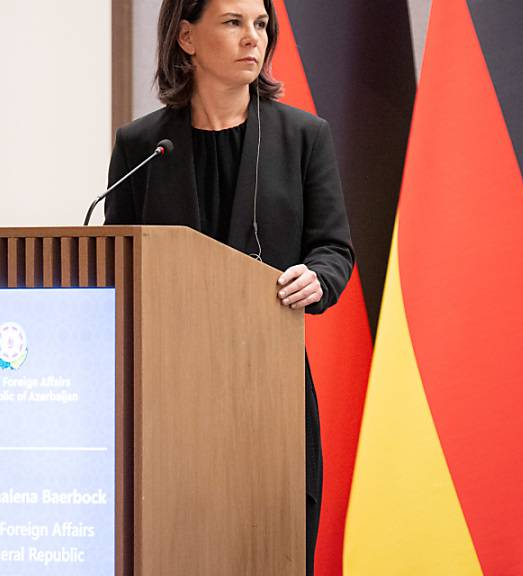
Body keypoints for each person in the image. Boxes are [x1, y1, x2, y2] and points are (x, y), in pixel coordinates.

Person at [104, 0, 354, 573]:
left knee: (270, 546)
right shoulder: (142, 146)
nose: (252, 38)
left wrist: (317, 277)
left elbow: (334, 248)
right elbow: (116, 259)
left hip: (270, 382)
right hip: (168, 392)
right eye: (233, 22)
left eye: (260, 24)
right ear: (186, 37)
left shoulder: (303, 137)